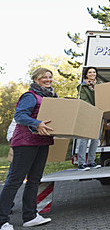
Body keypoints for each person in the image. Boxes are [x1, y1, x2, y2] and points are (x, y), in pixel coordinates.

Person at [0, 68, 56, 230]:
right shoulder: (30, 96)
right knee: (14, 181)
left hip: (42, 141)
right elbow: (20, 116)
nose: (47, 79)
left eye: (50, 77)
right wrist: (37, 123)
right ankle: (2, 220)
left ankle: (30, 216)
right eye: (43, 77)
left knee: (34, 180)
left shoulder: (50, 97)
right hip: (25, 142)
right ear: (36, 80)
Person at [76, 67, 102, 171]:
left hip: (99, 114)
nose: (92, 74)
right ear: (86, 74)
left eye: (94, 72)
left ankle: (91, 161)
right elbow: (84, 100)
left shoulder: (100, 84)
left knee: (95, 139)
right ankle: (81, 163)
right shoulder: (82, 86)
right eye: (90, 72)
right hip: (88, 113)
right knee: (84, 139)